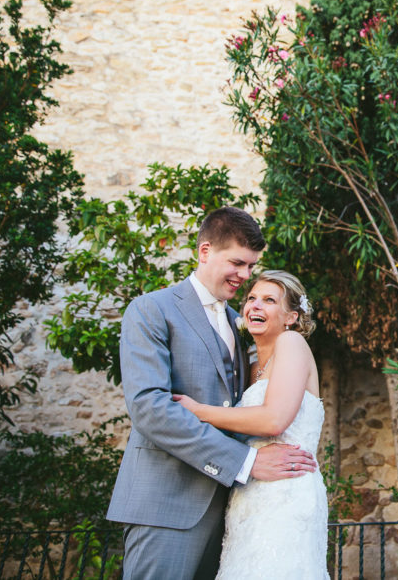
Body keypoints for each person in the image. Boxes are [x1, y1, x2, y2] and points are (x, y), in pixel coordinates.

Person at [107, 207, 317, 580]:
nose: (244, 276)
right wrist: (245, 462)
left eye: (251, 266)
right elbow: (150, 409)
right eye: (237, 263)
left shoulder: (242, 327)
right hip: (166, 504)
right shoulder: (151, 309)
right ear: (205, 252)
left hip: (232, 510)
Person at [173, 270, 329, 579]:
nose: (255, 306)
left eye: (269, 300)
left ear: (291, 317)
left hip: (286, 491)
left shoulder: (292, 343)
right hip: (249, 492)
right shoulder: (251, 362)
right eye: (251, 299)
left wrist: (198, 411)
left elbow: (273, 419)